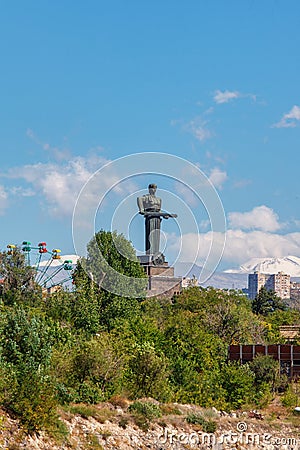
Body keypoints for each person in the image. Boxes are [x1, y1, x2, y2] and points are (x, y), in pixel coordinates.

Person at [137, 184, 177, 255]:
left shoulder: (159, 199)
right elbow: (139, 198)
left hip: (158, 218)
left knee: (156, 235)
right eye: (152, 188)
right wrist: (141, 209)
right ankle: (150, 252)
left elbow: (160, 210)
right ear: (149, 189)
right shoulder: (146, 197)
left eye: (155, 188)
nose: (153, 190)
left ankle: (155, 252)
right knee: (150, 234)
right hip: (150, 216)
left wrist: (165, 216)